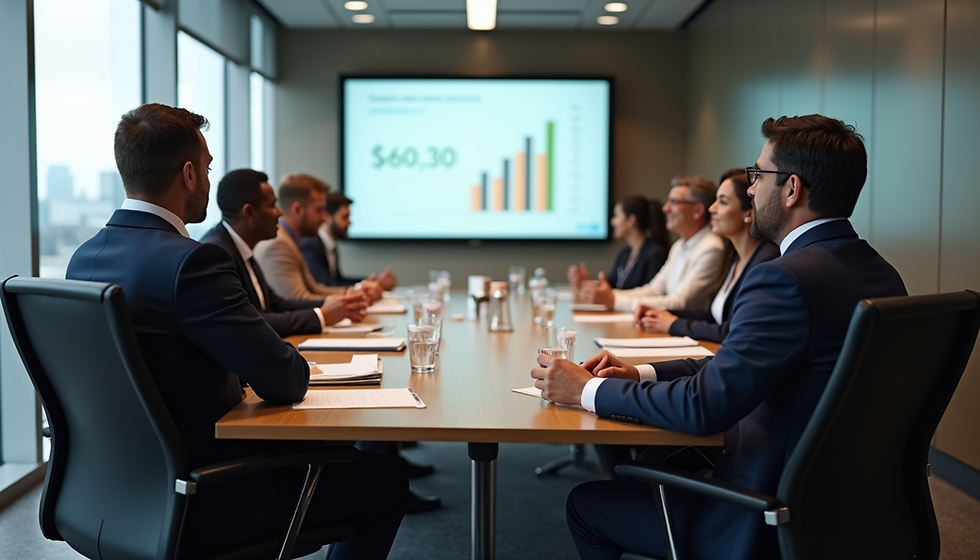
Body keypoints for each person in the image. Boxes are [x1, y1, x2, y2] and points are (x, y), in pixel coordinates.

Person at [530, 114, 907, 560]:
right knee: (648, 467)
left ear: (792, 189)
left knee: (587, 504)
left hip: (766, 515)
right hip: (851, 508)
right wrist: (639, 372)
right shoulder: (883, 275)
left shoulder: (783, 280)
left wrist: (586, 389)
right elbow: (740, 361)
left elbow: (704, 407)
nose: (751, 189)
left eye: (757, 175)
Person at [66, 103, 407, 559]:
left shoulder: (83, 259)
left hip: (113, 492)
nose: (209, 179)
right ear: (188, 174)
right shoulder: (191, 262)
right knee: (382, 481)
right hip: (207, 493)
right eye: (207, 168)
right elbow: (286, 378)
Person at [201, 168, 368, 336]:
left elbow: (276, 304)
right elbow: (248, 322)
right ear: (249, 212)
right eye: (272, 205)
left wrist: (332, 304)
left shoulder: (241, 248)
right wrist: (321, 315)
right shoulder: (216, 254)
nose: (279, 213)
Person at [636, 169, 780, 342]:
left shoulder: (764, 262)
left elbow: (732, 330)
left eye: (723, 202)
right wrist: (664, 313)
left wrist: (673, 324)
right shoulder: (734, 258)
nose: (712, 208)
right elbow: (711, 313)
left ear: (749, 212)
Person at [579, 176, 725, 312]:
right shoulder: (679, 246)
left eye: (674, 202)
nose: (665, 208)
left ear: (698, 210)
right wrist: (607, 294)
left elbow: (679, 303)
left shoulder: (711, 248)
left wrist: (614, 300)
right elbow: (653, 290)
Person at [253, 173, 382, 303]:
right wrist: (349, 300)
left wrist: (353, 293)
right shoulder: (278, 244)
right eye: (319, 211)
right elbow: (298, 300)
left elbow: (315, 289)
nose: (324, 218)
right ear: (298, 210)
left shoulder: (291, 240)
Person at [568, 195, 669, 292]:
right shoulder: (625, 253)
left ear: (631, 220)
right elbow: (610, 287)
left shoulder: (655, 255)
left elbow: (651, 293)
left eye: (616, 216)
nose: (613, 222)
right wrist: (586, 283)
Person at [302, 192, 398, 290]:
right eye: (345, 217)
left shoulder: (330, 244)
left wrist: (370, 281)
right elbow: (325, 285)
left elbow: (338, 280)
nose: (350, 222)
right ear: (327, 217)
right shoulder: (311, 245)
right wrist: (364, 287)